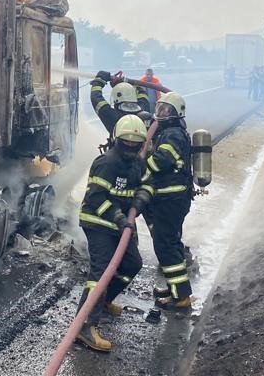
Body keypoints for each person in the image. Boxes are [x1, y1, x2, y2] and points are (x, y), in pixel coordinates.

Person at [76, 114, 154, 352]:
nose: (130, 148)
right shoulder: (106, 163)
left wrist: (141, 199)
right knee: (101, 272)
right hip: (98, 222)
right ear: (116, 140)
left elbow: (148, 182)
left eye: (135, 144)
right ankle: (85, 326)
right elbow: (95, 198)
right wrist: (120, 218)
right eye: (126, 143)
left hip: (120, 225)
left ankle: (103, 300)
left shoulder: (138, 163)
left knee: (132, 264)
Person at [144, 92, 195, 310]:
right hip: (172, 198)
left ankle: (181, 298)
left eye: (165, 111)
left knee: (165, 245)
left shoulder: (173, 134)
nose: (160, 114)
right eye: (159, 109)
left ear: (176, 114)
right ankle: (176, 289)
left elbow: (161, 161)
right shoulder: (171, 131)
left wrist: (140, 168)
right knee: (172, 243)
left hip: (171, 199)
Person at [90, 71, 151, 141]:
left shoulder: (112, 115)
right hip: (143, 150)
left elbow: (95, 98)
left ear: (116, 99)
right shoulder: (144, 109)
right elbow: (142, 93)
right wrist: (128, 82)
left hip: (118, 150)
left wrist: (99, 81)